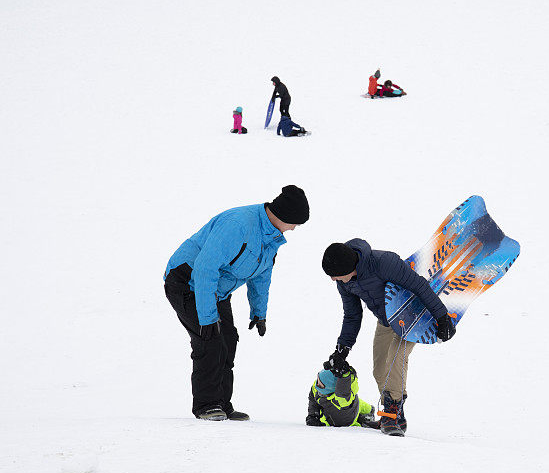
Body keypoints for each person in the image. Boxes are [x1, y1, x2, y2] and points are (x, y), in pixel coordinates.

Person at [164, 185, 310, 421]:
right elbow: (204, 268)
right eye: (295, 223)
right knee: (209, 337)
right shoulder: (238, 224)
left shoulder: (271, 237)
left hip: (216, 290)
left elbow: (262, 276)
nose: (294, 228)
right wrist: (208, 317)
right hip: (187, 281)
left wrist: (258, 313)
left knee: (228, 338)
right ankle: (206, 405)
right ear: (284, 215)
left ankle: (222, 403)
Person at [321, 239, 456, 437]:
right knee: (379, 369)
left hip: (413, 316)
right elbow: (352, 315)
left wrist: (442, 317)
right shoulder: (345, 282)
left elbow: (419, 285)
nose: (334, 280)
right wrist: (342, 349)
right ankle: (392, 413)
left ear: (349, 268)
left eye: (336, 275)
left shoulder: (384, 262)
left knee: (396, 357)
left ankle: (393, 412)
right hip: (386, 320)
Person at [306, 363, 379, 429]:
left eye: (320, 383)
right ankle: (364, 420)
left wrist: (346, 373)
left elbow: (343, 391)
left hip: (349, 416)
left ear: (330, 388)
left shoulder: (341, 399)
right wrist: (313, 414)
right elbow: (313, 398)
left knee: (358, 406)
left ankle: (369, 411)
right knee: (355, 406)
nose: (316, 384)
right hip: (337, 417)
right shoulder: (318, 388)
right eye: (318, 378)